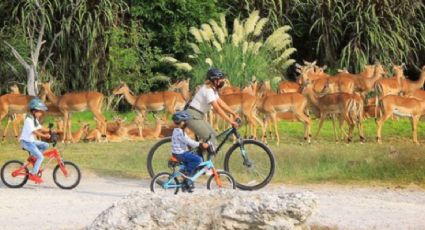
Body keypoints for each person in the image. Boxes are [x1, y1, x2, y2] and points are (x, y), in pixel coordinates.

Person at [185, 68, 240, 147]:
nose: (222, 81)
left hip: (198, 116)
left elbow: (221, 103)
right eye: (220, 79)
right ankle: (204, 159)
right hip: (192, 116)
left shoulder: (212, 90)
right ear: (215, 80)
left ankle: (201, 157)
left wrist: (233, 113)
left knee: (214, 136)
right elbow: (217, 108)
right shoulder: (208, 90)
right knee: (211, 139)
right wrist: (230, 121)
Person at [171, 111, 208, 192]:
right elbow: (189, 141)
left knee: (193, 156)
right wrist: (200, 144)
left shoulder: (176, 130)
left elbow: (187, 140)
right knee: (198, 159)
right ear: (181, 122)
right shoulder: (180, 132)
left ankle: (187, 182)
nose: (186, 123)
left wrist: (199, 143)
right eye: (185, 121)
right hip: (180, 154)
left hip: (178, 153)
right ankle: (186, 172)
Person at [19, 98, 51, 184]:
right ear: (34, 111)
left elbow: (40, 128)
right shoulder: (29, 120)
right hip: (26, 142)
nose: (41, 113)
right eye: (39, 111)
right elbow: (34, 131)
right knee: (41, 157)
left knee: (45, 145)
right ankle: (33, 174)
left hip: (31, 141)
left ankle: (33, 157)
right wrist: (45, 135)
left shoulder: (34, 119)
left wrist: (51, 131)